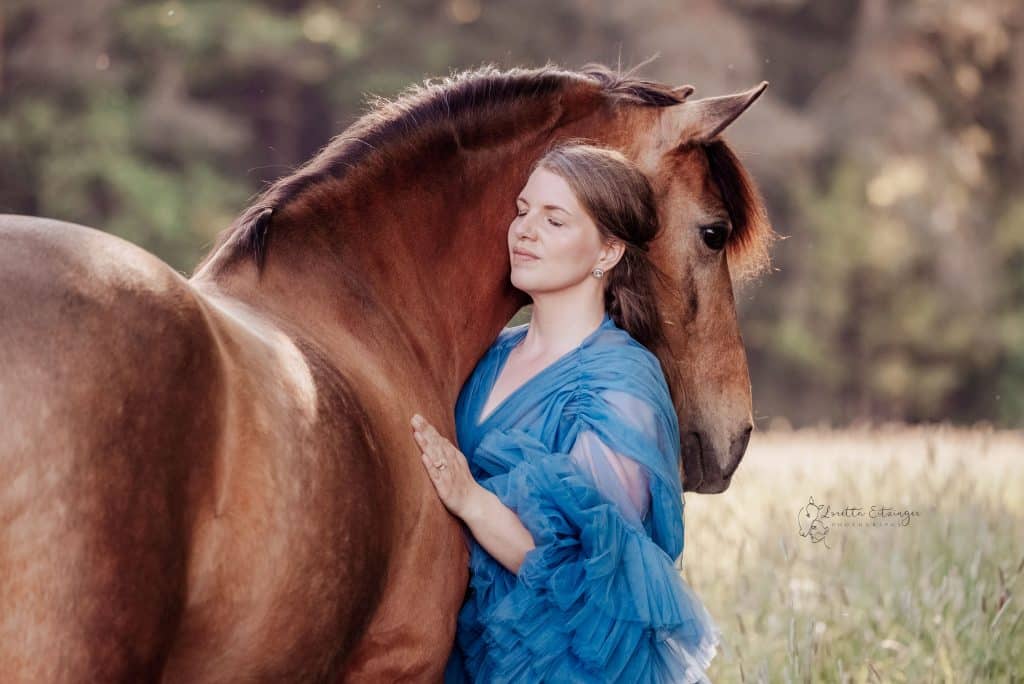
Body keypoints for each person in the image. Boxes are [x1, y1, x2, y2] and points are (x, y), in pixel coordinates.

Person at [411, 140, 721, 682]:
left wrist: (470, 499)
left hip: (562, 664)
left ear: (607, 253)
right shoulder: (488, 355)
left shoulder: (620, 382)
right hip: (457, 642)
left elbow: (587, 572)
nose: (524, 231)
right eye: (523, 210)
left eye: (554, 220)